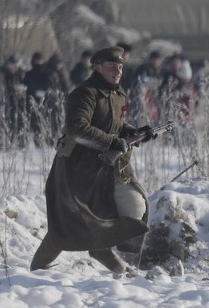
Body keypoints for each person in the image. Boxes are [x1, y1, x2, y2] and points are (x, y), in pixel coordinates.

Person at [30, 46, 158, 275]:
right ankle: (37, 270)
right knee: (68, 222)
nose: (117, 71)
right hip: (76, 168)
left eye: (120, 67)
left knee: (131, 207)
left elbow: (116, 124)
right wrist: (112, 141)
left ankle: (107, 255)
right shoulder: (84, 94)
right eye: (112, 67)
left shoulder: (118, 95)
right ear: (98, 67)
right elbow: (77, 128)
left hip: (107, 167)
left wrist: (135, 132)